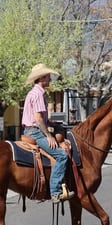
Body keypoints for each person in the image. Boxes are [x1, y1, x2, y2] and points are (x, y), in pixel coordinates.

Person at [21, 63, 75, 203]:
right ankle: (56, 192)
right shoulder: (38, 94)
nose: (50, 79)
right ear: (41, 78)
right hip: (35, 132)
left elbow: (41, 119)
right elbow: (38, 119)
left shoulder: (35, 92)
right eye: (48, 76)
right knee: (62, 155)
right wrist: (49, 135)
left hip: (31, 129)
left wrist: (52, 124)